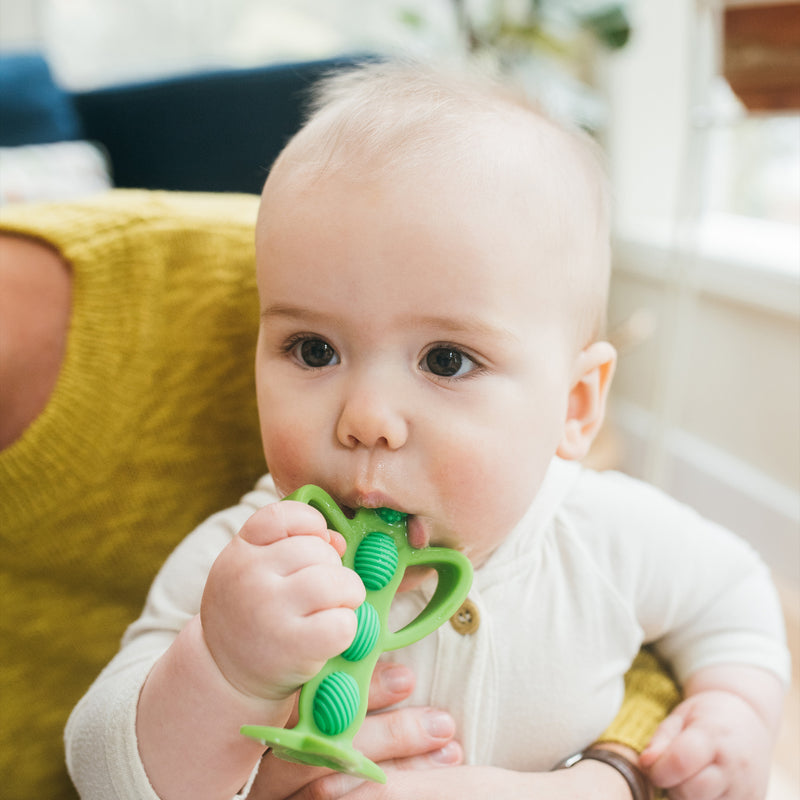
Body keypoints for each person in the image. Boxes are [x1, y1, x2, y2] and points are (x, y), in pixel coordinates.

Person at [62, 60, 788, 800]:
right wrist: (219, 671)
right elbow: (99, 771)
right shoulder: (245, 570)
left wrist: (736, 709)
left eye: (446, 360)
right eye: (314, 349)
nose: (367, 418)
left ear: (574, 406)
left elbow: (733, 597)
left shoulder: (603, 535)